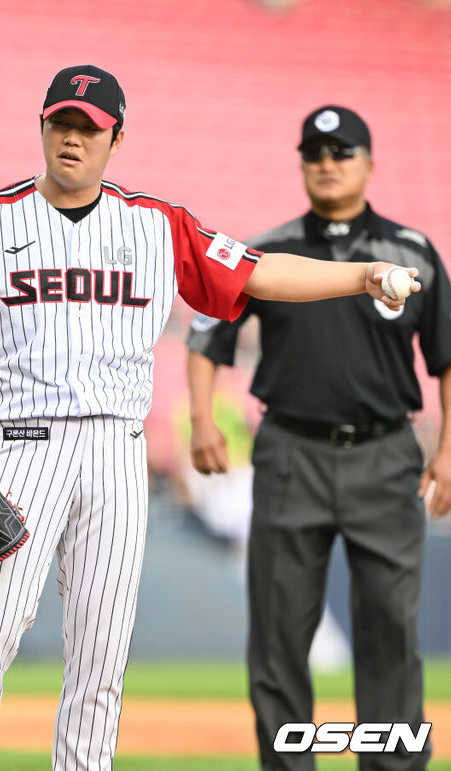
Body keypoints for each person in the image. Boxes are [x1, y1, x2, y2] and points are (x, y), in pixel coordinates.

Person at [0, 66, 420, 771]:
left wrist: (361, 276)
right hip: (23, 443)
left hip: (119, 451)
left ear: (116, 139)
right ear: (40, 126)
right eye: (61, 122)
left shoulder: (155, 223)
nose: (72, 137)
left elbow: (259, 272)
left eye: (89, 127)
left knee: (101, 651)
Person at [186, 105, 451, 770]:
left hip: (387, 456)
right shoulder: (268, 252)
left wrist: (448, 449)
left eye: (342, 151)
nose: (328, 163)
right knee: (279, 632)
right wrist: (201, 417)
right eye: (315, 153)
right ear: (302, 163)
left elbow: (447, 357)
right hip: (289, 455)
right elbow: (204, 335)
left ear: (370, 163)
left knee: (390, 627)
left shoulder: (413, 251)